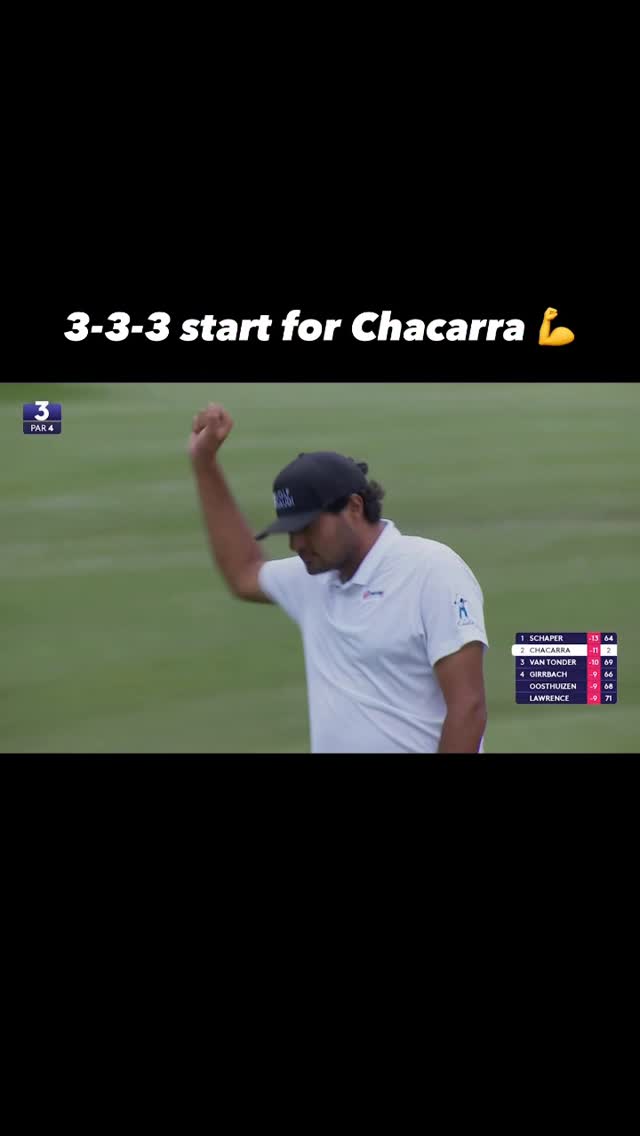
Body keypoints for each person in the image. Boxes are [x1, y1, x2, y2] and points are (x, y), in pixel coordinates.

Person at [190, 403, 489, 754]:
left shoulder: (431, 570)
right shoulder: (312, 577)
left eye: (308, 528)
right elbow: (243, 573)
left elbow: (468, 707)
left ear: (354, 507)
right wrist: (204, 463)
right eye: (290, 531)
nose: (297, 544)